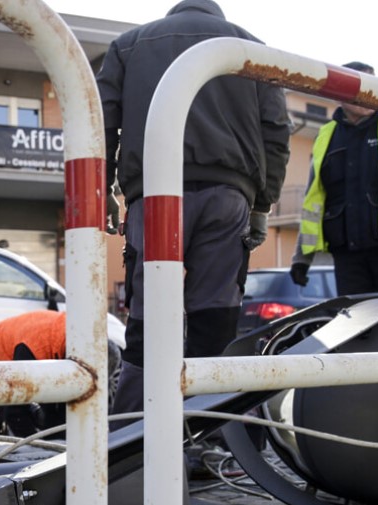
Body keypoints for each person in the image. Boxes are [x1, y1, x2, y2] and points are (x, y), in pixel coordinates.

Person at [97, 0, 291, 421]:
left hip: (154, 196)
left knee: (149, 319)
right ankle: (211, 434)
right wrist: (261, 206)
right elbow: (275, 133)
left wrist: (102, 195)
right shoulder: (250, 47)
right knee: (214, 316)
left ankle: (131, 436)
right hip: (228, 195)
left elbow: (101, 121)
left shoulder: (129, 46)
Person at [289, 61, 378, 297]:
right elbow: (314, 200)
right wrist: (301, 258)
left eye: (372, 87)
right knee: (358, 329)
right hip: (347, 257)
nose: (368, 94)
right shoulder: (326, 135)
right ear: (339, 94)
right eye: (360, 87)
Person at [0, 309, 67, 438]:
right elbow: (15, 410)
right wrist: (33, 444)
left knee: (54, 414)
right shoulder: (33, 348)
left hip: (39, 349)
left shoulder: (75, 343)